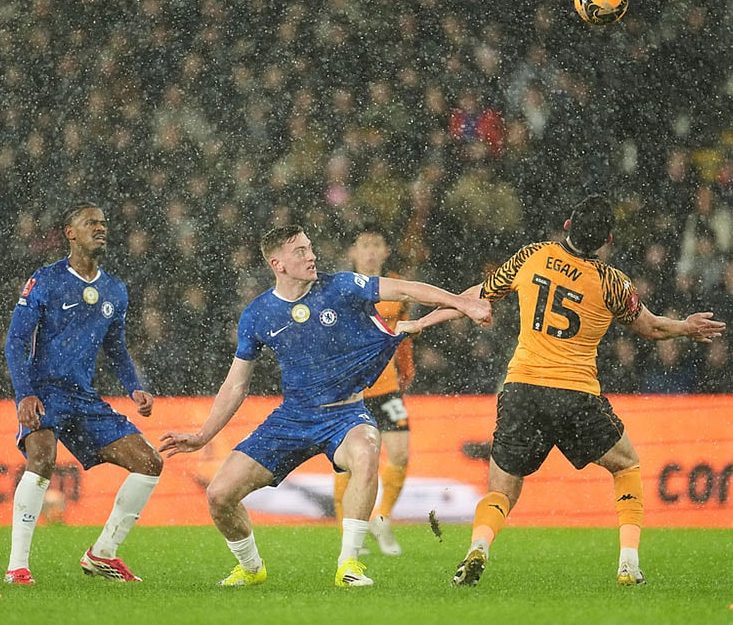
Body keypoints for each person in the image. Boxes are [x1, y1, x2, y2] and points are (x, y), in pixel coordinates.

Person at [397, 194, 726, 588]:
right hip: (575, 393)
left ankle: (479, 547)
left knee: (501, 489)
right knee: (627, 466)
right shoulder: (612, 282)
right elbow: (650, 328)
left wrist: (424, 322)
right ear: (606, 239)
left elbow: (478, 295)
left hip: (522, 389)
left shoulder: (533, 256)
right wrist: (687, 327)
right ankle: (628, 564)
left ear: (567, 225)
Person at [159, 224, 491, 588]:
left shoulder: (341, 286)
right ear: (278, 263)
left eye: (310, 248)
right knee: (219, 495)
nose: (311, 255)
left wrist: (461, 302)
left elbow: (405, 288)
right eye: (300, 251)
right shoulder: (258, 314)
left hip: (345, 413)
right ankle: (251, 568)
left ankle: (349, 564)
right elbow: (236, 384)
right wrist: (203, 435)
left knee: (367, 452)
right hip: (292, 418)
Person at [3, 202, 163, 585]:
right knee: (41, 459)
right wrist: (25, 393)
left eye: (104, 223)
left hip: (85, 398)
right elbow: (15, 341)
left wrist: (134, 386)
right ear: (69, 232)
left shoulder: (114, 289)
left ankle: (102, 555)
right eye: (91, 222)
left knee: (150, 463)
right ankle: (17, 567)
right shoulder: (46, 280)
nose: (100, 228)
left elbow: (116, 348)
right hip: (45, 393)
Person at [332, 224, 415, 555]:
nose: (369, 251)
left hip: (387, 388)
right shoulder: (340, 290)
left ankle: (381, 518)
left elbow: (403, 336)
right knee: (348, 462)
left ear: (385, 251)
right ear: (353, 252)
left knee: (400, 455)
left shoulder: (397, 289)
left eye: (375, 244)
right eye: (363, 245)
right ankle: (348, 529)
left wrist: (407, 369)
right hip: (352, 391)